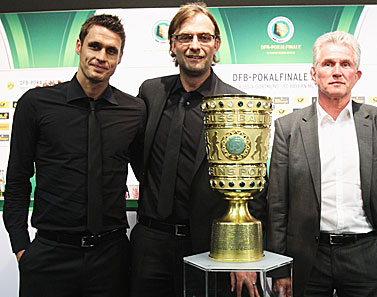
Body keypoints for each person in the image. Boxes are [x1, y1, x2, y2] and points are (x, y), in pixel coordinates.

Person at [3, 14, 146, 297]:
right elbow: (18, 180)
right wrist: (21, 248)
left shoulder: (134, 111)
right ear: (79, 46)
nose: (101, 56)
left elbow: (148, 176)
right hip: (49, 256)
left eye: (111, 51)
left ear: (119, 58)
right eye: (95, 46)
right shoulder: (36, 104)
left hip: (111, 257)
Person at [129, 2, 266, 297]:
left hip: (211, 246)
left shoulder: (237, 103)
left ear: (216, 45)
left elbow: (252, 190)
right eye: (185, 37)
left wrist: (243, 254)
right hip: (150, 244)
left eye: (204, 37)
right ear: (172, 45)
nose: (195, 46)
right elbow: (132, 149)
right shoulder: (151, 92)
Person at [267, 30, 377, 297]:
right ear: (313, 73)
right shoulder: (288, 128)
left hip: (368, 255)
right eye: (328, 64)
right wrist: (279, 267)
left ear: (357, 75)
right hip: (308, 258)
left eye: (345, 64)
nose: (337, 71)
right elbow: (277, 204)